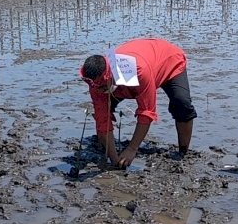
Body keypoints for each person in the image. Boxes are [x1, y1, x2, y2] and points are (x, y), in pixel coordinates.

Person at [80, 38, 197, 167]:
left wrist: (132, 149)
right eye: (96, 88)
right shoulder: (95, 84)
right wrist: (114, 160)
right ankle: (104, 146)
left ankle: (183, 152)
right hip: (122, 80)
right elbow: (102, 120)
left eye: (102, 87)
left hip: (169, 62)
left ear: (110, 75)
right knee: (104, 107)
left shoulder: (140, 71)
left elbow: (146, 113)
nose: (99, 91)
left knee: (181, 103)